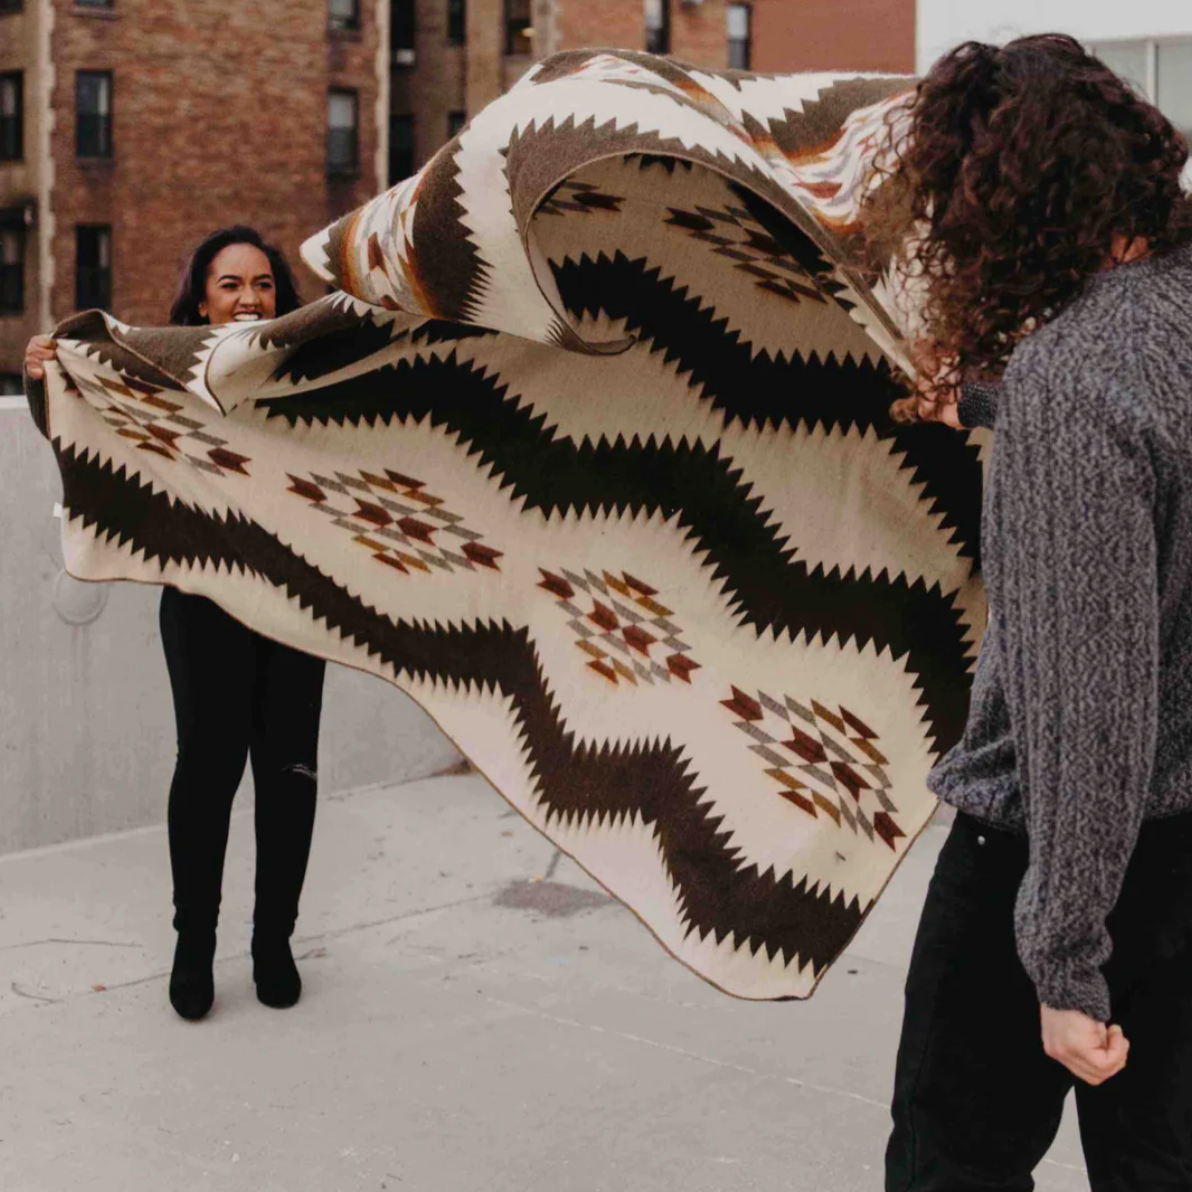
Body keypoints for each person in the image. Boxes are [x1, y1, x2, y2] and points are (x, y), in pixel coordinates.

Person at [860, 35, 1192, 1190]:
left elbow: (1092, 707)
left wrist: (1060, 960)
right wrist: (994, 402)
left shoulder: (1077, 375)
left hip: (1057, 858)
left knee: (947, 1166)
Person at [25, 227, 326, 1023]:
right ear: (201, 297)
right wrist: (50, 380)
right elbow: (96, 433)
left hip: (296, 602)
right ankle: (195, 947)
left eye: (263, 283)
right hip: (203, 605)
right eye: (231, 284)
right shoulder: (161, 375)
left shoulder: (307, 374)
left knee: (289, 775)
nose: (249, 297)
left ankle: (273, 943)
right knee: (207, 772)